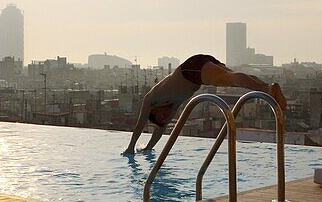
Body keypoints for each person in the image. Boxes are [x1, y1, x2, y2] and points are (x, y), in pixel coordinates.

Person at [122, 54, 286, 155]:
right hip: (197, 68)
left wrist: (131, 147)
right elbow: (159, 130)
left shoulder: (151, 99)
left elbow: (139, 125)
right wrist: (148, 148)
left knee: (230, 78)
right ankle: (268, 87)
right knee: (232, 78)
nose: (163, 119)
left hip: (192, 70)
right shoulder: (172, 105)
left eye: (159, 117)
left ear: (155, 111)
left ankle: (266, 88)